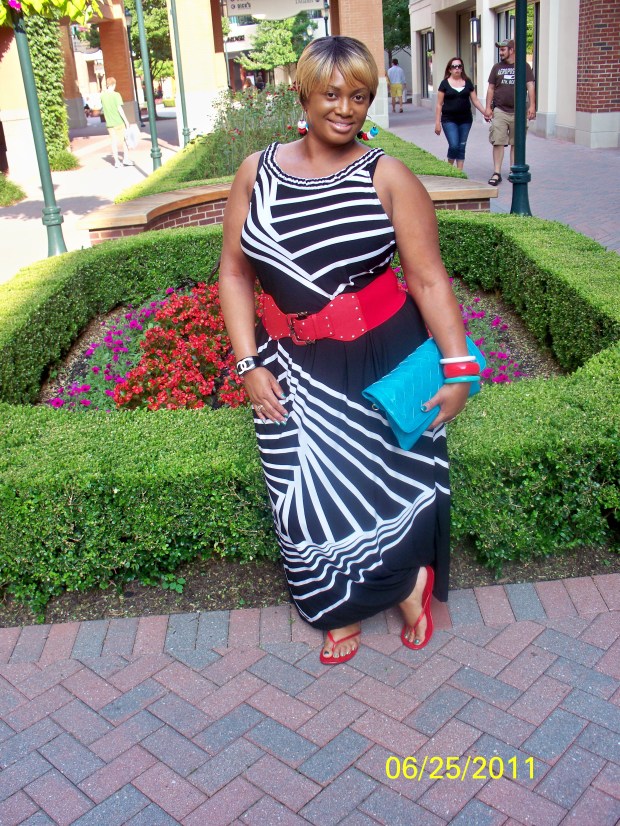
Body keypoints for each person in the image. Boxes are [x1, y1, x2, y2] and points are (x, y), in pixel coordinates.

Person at [219, 36, 472, 665]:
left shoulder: (388, 175)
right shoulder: (256, 172)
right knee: (302, 492)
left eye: (359, 96)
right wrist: (248, 363)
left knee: (388, 483)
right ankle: (339, 606)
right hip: (288, 361)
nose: (345, 108)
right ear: (303, 95)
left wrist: (459, 368)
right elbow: (234, 273)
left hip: (382, 353)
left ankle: (409, 586)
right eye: (331, 94)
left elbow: (428, 279)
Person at [484, 39, 536, 185]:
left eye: (503, 49)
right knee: (498, 141)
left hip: (519, 112)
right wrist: (488, 107)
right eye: (500, 49)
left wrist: (532, 106)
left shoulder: (523, 67)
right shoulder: (496, 68)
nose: (500, 52)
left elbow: (530, 86)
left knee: (516, 143)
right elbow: (491, 88)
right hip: (500, 110)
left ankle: (514, 171)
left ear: (511, 50)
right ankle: (497, 172)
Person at [434, 57, 488, 170]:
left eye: (459, 66)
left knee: (462, 146)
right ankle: (449, 169)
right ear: (449, 69)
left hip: (465, 120)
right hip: (449, 119)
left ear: (462, 68)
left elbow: (475, 100)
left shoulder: (467, 82)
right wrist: (437, 123)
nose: (457, 69)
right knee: (454, 145)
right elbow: (439, 104)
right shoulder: (444, 84)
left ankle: (459, 173)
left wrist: (485, 112)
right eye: (454, 67)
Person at [100, 77, 134, 169]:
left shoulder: (102, 96)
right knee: (124, 141)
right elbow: (119, 109)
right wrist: (126, 121)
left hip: (109, 123)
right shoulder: (116, 95)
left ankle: (117, 162)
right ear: (113, 84)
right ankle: (126, 159)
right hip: (118, 122)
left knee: (113, 142)